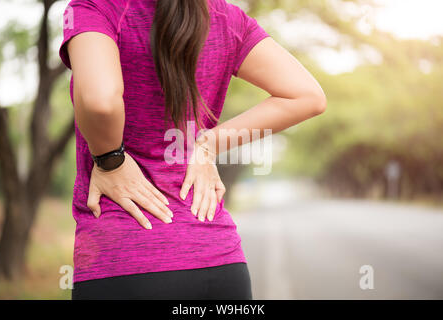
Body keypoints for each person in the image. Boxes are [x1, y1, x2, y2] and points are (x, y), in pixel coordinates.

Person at [59, 0, 326, 300]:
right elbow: (307, 96)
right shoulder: (226, 16)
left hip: (126, 263)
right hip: (222, 265)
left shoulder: (98, 7)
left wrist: (111, 161)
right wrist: (207, 144)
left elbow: (100, 101)